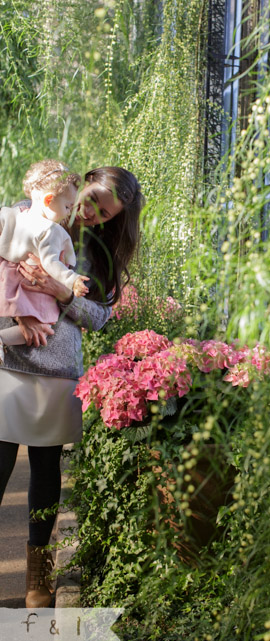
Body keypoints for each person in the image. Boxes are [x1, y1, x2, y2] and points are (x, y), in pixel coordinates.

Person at [0, 166, 143, 608]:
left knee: (45, 475)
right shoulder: (33, 210)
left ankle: (37, 579)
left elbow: (99, 317)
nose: (93, 213)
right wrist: (17, 311)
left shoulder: (99, 252)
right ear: (82, 183)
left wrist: (60, 294)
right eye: (93, 200)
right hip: (9, 360)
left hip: (59, 371)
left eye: (105, 213)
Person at [0, 159, 91, 365]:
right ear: (49, 200)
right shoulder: (50, 230)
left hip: (7, 283)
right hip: (31, 286)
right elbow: (52, 264)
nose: (70, 212)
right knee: (46, 325)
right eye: (68, 206)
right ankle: (2, 339)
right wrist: (72, 279)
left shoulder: (14, 213)